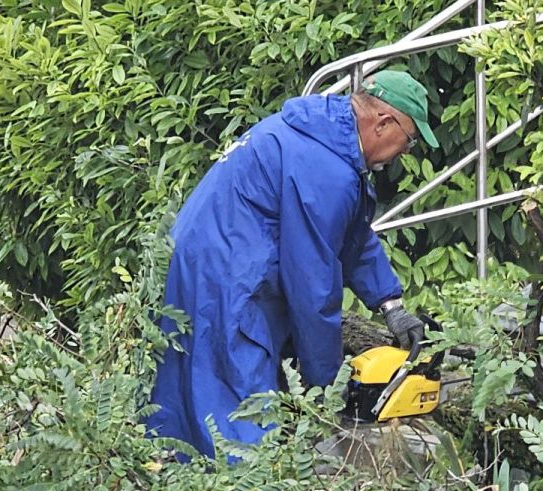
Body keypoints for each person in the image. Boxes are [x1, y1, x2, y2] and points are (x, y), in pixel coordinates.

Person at [146, 71, 439, 458]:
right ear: (384, 123)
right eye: (410, 140)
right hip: (226, 283)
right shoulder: (325, 169)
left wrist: (391, 305)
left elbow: (351, 233)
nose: (406, 152)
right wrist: (327, 389)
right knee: (238, 417)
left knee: (184, 401)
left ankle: (170, 488)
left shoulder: (323, 136)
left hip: (198, 261)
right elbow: (312, 288)